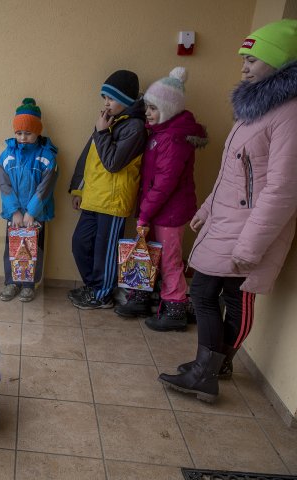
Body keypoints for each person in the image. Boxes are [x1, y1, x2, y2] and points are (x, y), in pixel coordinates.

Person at [159, 19, 297, 403]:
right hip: (226, 221)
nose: (244, 65)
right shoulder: (255, 107)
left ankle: (211, 368)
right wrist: (206, 208)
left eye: (254, 58)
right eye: (244, 58)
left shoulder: (290, 114)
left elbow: (283, 188)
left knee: (235, 297)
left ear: (281, 63)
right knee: (203, 291)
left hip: (253, 228)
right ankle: (209, 365)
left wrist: (251, 247)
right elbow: (232, 173)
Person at [114, 67, 208, 330]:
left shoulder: (174, 138)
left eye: (154, 108)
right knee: (146, 252)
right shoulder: (159, 133)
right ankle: (142, 296)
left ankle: (176, 306)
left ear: (169, 108)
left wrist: (145, 213)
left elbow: (165, 182)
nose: (148, 113)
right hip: (156, 209)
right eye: (147, 108)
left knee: (169, 258)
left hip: (169, 211)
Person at [68, 70, 147, 309]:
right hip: (94, 198)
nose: (106, 104)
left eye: (110, 99)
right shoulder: (107, 122)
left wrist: (102, 131)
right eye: (104, 98)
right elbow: (88, 157)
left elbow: (113, 163)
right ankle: (95, 287)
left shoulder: (134, 128)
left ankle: (102, 294)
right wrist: (78, 189)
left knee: (105, 252)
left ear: (126, 100)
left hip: (113, 203)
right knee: (80, 243)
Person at [0, 98, 59, 303]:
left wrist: (31, 212)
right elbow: (4, 185)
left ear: (37, 132)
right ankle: (11, 282)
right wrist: (15, 211)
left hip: (36, 215)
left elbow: (45, 188)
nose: (23, 137)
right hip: (14, 216)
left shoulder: (47, 157)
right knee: (12, 248)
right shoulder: (6, 156)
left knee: (34, 250)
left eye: (28, 133)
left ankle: (28, 284)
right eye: (18, 133)